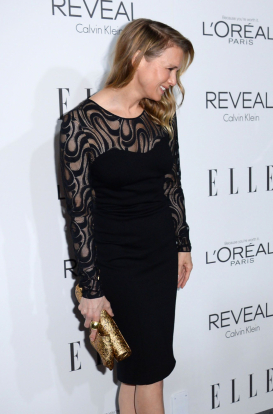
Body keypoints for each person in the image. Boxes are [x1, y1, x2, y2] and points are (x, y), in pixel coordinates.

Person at [59, 19, 195, 414]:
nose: (173, 80)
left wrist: (182, 244)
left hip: (159, 257)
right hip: (116, 264)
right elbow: (79, 216)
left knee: (139, 373)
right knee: (147, 374)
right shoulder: (80, 125)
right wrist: (91, 290)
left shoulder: (162, 114)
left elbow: (172, 183)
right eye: (169, 68)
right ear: (137, 59)